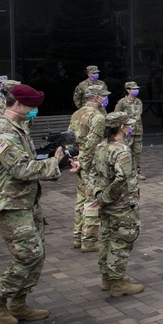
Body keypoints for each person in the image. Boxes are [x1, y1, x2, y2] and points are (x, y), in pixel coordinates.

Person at [0, 84, 70, 324]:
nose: (34, 111)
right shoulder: (3, 133)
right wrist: (54, 164)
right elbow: (20, 168)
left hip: (26, 202)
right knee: (29, 254)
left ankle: (18, 303)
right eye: (31, 107)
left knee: (37, 254)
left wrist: (56, 162)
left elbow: (28, 162)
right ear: (17, 105)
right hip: (9, 204)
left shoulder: (18, 129)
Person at [94, 111, 145, 298]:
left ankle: (107, 277)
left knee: (107, 238)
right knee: (121, 241)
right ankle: (117, 282)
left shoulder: (101, 146)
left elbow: (95, 174)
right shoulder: (121, 150)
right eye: (128, 125)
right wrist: (107, 197)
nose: (131, 128)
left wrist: (99, 196)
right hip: (121, 204)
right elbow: (121, 179)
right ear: (121, 128)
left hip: (106, 204)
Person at [69, 83, 109, 252]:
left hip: (79, 160)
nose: (105, 99)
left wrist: (74, 159)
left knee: (81, 199)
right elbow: (93, 143)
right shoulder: (98, 117)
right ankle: (90, 240)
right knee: (93, 200)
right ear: (96, 97)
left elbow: (69, 137)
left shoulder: (77, 113)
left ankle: (77, 236)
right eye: (103, 96)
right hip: (91, 163)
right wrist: (83, 162)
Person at [114, 81, 145, 180]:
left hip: (138, 130)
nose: (136, 91)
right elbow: (116, 115)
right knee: (126, 152)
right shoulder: (122, 102)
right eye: (133, 89)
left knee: (137, 152)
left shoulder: (139, 101)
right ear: (128, 90)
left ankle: (137, 172)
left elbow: (140, 115)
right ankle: (125, 172)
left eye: (137, 89)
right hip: (127, 131)